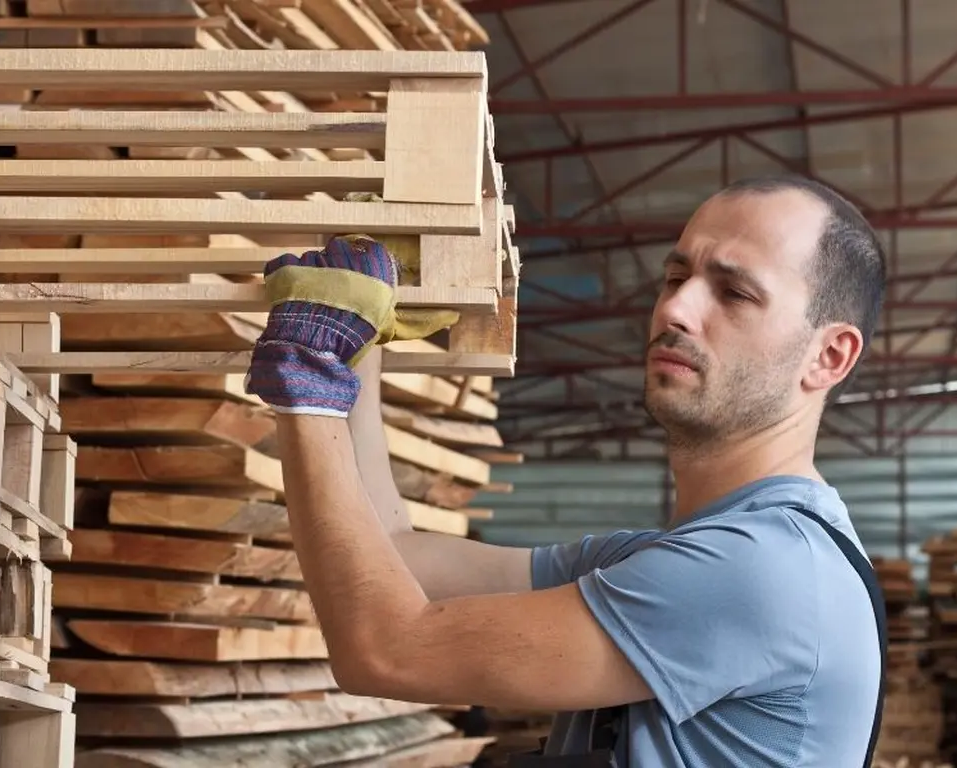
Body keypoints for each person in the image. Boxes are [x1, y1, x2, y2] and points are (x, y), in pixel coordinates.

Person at [243, 173, 888, 767]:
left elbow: (384, 651)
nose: (675, 310)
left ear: (829, 356)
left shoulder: (764, 571)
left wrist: (308, 383)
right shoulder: (677, 558)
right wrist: (360, 336)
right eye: (674, 276)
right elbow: (397, 555)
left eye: (735, 292)